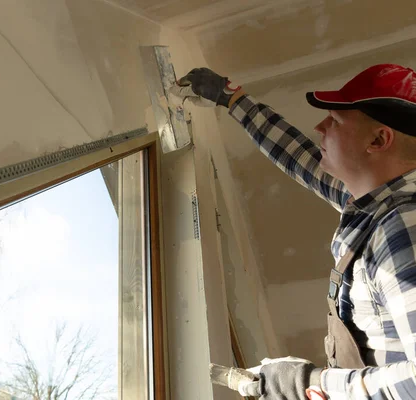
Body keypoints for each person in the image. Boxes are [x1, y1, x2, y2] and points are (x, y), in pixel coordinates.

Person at [171, 64, 416, 400]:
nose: (320, 126)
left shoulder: (403, 227)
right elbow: (302, 159)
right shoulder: (372, 204)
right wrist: (232, 99)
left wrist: (305, 382)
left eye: (336, 120)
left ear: (378, 139)